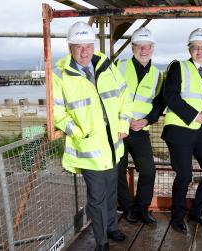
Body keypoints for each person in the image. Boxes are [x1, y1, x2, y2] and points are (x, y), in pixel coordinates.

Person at [52, 21, 132, 251]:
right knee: (97, 198)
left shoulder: (107, 66)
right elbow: (58, 113)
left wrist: (124, 122)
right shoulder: (60, 75)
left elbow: (124, 95)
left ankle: (111, 228)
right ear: (70, 48)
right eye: (78, 46)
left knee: (112, 190)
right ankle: (102, 241)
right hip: (89, 148)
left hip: (112, 143)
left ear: (94, 44)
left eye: (88, 45)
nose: (84, 51)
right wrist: (79, 133)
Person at [162, 28, 202, 234]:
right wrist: (196, 115)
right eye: (195, 47)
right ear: (189, 49)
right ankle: (177, 217)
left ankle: (197, 211)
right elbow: (170, 96)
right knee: (185, 175)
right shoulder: (178, 67)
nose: (199, 50)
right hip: (180, 129)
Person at [115, 27, 165, 224]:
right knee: (118, 171)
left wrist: (146, 121)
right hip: (119, 129)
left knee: (148, 170)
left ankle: (142, 208)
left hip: (140, 131)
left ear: (152, 48)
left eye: (148, 47)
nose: (143, 50)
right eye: (139, 46)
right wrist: (121, 120)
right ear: (132, 48)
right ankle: (128, 209)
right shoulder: (119, 66)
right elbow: (107, 96)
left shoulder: (157, 74)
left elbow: (159, 105)